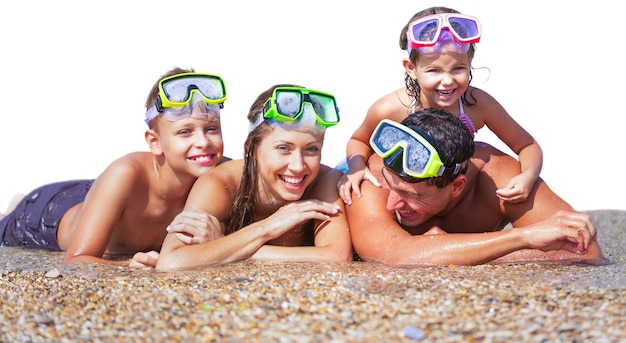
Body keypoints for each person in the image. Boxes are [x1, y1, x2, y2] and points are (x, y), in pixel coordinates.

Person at [0, 67, 230, 267]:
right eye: (185, 131)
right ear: (155, 142)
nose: (203, 142)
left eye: (211, 129)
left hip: (98, 192)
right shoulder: (126, 173)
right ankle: (15, 207)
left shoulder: (225, 174)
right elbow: (77, 260)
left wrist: (219, 239)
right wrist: (128, 265)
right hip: (46, 216)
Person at [346, 108, 604, 267]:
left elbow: (586, 252)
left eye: (410, 195)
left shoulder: (502, 178)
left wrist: (449, 250)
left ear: (457, 186)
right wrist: (522, 239)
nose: (391, 204)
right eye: (392, 187)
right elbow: (395, 254)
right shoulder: (371, 178)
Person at [337, 6, 543, 206]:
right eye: (434, 70)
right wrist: (355, 169)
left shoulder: (477, 105)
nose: (447, 81)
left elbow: (526, 145)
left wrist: (528, 176)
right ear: (411, 68)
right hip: (387, 180)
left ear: (470, 63)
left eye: (458, 68)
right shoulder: (392, 108)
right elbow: (358, 140)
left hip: (430, 190)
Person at [151, 84, 353, 271]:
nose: (298, 166)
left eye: (311, 149)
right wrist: (268, 227)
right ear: (251, 148)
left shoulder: (325, 182)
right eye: (283, 148)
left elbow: (337, 257)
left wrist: (226, 243)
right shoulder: (221, 183)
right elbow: (171, 261)